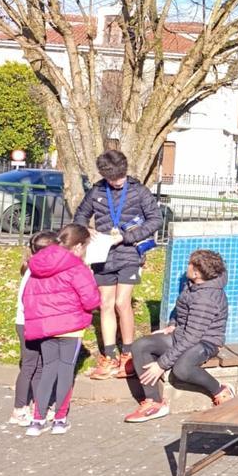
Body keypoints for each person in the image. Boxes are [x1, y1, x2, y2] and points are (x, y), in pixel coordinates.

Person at [74, 149, 163, 380]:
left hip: (129, 253)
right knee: (105, 303)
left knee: (122, 303)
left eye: (120, 177)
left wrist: (128, 237)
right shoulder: (96, 191)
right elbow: (81, 215)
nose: (117, 182)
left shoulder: (138, 191)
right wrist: (86, 230)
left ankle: (128, 354)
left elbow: (156, 219)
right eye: (113, 178)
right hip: (103, 255)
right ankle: (110, 355)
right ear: (104, 175)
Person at [124, 248, 233, 422]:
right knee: (141, 345)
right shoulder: (194, 284)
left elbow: (192, 338)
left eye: (189, 265)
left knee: (182, 369)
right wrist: (172, 325)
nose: (186, 268)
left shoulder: (206, 298)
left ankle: (220, 390)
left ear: (196, 273)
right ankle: (155, 403)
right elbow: (182, 309)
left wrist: (161, 364)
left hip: (205, 342)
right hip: (184, 334)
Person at [21, 224, 99, 436]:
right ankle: (59, 419)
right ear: (78, 246)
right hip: (71, 327)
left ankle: (37, 420)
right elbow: (91, 300)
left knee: (47, 370)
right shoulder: (77, 267)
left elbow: (27, 296)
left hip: (45, 327)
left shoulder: (36, 265)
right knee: (65, 372)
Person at [10, 230, 59, 426]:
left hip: (33, 323)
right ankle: (19, 409)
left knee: (37, 366)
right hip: (28, 323)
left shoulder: (36, 268)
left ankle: (39, 406)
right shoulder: (35, 271)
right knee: (30, 366)